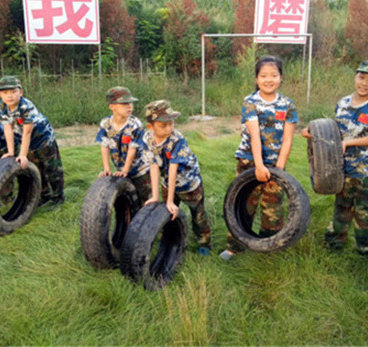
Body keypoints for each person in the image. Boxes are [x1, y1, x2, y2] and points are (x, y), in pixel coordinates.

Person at [303, 60, 368, 256]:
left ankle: (365, 250)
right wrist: (313, 132)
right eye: (361, 77)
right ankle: (333, 244)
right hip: (343, 167)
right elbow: (334, 129)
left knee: (365, 212)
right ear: (355, 76)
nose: (364, 83)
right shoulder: (343, 103)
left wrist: (348, 143)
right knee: (342, 207)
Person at [220, 55, 298, 261]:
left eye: (274, 75)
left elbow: (288, 139)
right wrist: (259, 166)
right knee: (244, 203)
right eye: (263, 75)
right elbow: (254, 135)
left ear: (281, 78)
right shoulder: (250, 102)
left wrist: (278, 168)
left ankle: (268, 246)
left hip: (275, 164)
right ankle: (234, 247)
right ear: (256, 79)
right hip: (249, 161)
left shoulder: (287, 105)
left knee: (273, 207)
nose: (268, 79)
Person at [143, 100, 212, 255]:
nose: (169, 129)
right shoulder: (147, 139)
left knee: (198, 214)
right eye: (163, 125)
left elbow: (174, 168)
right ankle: (168, 239)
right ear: (150, 126)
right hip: (168, 182)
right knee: (168, 212)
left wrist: (169, 200)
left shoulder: (177, 139)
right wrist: (155, 196)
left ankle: (204, 243)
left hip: (189, 183)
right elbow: (153, 165)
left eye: (171, 123)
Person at [0, 76, 64, 206]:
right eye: (5, 93)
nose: (9, 96)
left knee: (52, 169)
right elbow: (8, 128)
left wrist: (22, 154)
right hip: (26, 141)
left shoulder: (26, 107)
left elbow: (28, 132)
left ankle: (58, 198)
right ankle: (44, 196)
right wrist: (11, 152)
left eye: (13, 92)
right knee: (36, 169)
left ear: (20, 92)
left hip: (43, 140)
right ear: (0, 95)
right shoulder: (2, 106)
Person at [95, 86, 151, 201]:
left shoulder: (134, 124)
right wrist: (107, 169)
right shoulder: (105, 124)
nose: (129, 106)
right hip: (120, 168)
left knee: (143, 200)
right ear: (112, 106)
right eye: (124, 104)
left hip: (140, 170)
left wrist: (125, 170)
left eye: (130, 103)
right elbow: (104, 145)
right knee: (125, 199)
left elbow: (132, 149)